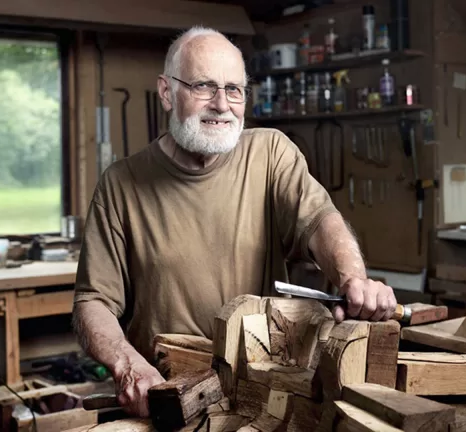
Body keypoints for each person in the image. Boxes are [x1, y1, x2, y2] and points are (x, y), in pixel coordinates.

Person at [72, 26, 397, 418]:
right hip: (168, 399)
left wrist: (353, 279)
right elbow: (93, 302)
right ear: (166, 93)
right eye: (204, 87)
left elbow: (318, 220)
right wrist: (128, 365)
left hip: (263, 394)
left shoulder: (271, 153)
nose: (222, 104)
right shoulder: (121, 184)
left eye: (234, 89)